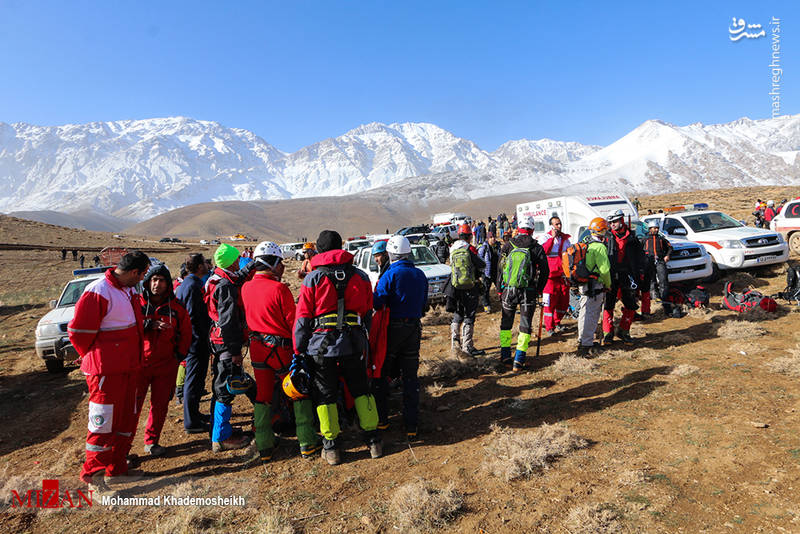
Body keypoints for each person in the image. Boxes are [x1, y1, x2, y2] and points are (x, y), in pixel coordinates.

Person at [293, 230, 381, 465]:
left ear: (319, 251)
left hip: (321, 348)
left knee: (326, 394)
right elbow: (368, 311)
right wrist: (365, 340)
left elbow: (302, 318)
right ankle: (373, 441)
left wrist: (298, 349)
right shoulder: (361, 277)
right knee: (361, 389)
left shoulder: (313, 279)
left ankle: (331, 448)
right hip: (354, 344)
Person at [68, 250, 149, 497]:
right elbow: (79, 332)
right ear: (134, 272)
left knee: (126, 418)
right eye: (143, 274)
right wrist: (97, 358)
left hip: (128, 367)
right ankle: (94, 476)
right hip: (106, 372)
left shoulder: (129, 289)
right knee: (103, 422)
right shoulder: (98, 290)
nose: (143, 279)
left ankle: (117, 466)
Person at [242, 241, 320, 462]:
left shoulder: (246, 288)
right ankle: (307, 442)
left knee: (263, 396)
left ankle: (265, 445)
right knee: (297, 391)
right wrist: (301, 349)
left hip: (258, 350)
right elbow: (293, 323)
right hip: (281, 350)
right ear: (273, 264)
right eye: (280, 263)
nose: (283, 267)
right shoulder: (279, 289)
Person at [372, 235, 428, 439]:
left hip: (392, 329)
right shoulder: (420, 274)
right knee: (411, 378)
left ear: (391, 253)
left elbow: (377, 303)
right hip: (413, 328)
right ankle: (411, 424)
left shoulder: (390, 275)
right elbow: (424, 305)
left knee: (383, 374)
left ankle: (383, 421)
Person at [134, 263, 191, 457]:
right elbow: (126, 326)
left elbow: (186, 333)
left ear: (168, 284)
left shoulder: (176, 308)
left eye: (162, 280)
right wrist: (149, 324)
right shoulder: (136, 304)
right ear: (147, 282)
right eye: (154, 280)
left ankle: (151, 441)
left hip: (166, 365)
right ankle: (123, 449)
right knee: (132, 407)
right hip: (138, 365)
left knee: (159, 405)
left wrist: (179, 356)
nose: (157, 284)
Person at [204, 244, 257, 452]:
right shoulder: (225, 285)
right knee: (226, 388)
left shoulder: (216, 278)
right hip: (226, 343)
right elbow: (228, 321)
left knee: (222, 385)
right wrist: (236, 352)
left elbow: (236, 280)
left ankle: (219, 431)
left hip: (217, 341)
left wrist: (250, 268)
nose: (239, 262)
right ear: (233, 261)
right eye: (237, 259)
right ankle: (221, 437)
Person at [498, 217, 549, 370]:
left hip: (508, 290)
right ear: (532, 230)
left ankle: (505, 355)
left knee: (506, 324)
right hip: (528, 291)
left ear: (518, 228)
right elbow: (545, 271)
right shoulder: (536, 247)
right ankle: (519, 360)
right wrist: (538, 289)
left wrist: (500, 289)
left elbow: (500, 269)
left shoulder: (508, 245)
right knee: (525, 325)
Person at [175, 253, 212, 433]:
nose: (207, 265)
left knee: (197, 380)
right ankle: (191, 422)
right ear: (199, 267)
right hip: (195, 342)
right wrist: (199, 339)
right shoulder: (192, 286)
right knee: (193, 380)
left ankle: (195, 414)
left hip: (194, 340)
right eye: (205, 262)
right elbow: (192, 316)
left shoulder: (188, 284)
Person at [603, 210, 645, 345]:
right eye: (610, 222)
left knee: (631, 304)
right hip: (611, 274)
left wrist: (640, 273)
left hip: (627, 274)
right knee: (608, 304)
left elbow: (640, 257)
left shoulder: (632, 237)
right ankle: (607, 333)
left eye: (614, 221)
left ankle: (624, 331)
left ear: (621, 220)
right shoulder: (607, 236)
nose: (612, 224)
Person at [446, 224, 486, 356]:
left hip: (455, 286)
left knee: (458, 314)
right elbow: (482, 264)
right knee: (469, 315)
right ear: (469, 236)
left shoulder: (452, 248)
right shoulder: (470, 248)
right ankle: (467, 346)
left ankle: (454, 345)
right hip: (470, 286)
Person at [575, 219, 612, 356]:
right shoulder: (600, 247)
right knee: (591, 314)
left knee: (584, 313)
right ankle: (587, 344)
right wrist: (608, 285)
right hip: (595, 285)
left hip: (584, 284)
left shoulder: (586, 243)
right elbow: (605, 270)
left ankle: (582, 339)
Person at [541, 216, 572, 336]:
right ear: (551, 226)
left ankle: (557, 322)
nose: (559, 226)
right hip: (549, 277)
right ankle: (549, 327)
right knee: (549, 303)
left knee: (563, 302)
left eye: (560, 224)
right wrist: (552, 239)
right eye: (556, 224)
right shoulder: (545, 237)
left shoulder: (566, 239)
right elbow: (543, 252)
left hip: (563, 276)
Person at [641, 220, 672, 317]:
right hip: (648, 262)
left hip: (660, 261)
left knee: (663, 280)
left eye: (657, 228)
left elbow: (670, 248)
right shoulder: (644, 239)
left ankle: (664, 300)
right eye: (654, 228)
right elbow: (639, 251)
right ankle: (655, 300)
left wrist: (667, 256)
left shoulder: (661, 239)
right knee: (651, 281)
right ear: (650, 229)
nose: (656, 229)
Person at [478, 233, 501, 313]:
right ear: (487, 239)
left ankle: (503, 303)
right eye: (491, 237)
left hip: (497, 271)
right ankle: (486, 305)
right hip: (487, 272)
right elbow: (479, 259)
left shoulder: (498, 246)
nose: (493, 239)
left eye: (494, 237)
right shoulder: (484, 247)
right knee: (485, 290)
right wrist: (481, 272)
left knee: (500, 287)